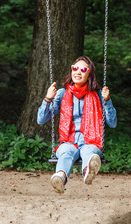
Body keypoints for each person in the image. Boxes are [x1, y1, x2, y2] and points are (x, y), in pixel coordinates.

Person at [37, 55, 117, 193]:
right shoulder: (62, 94)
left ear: (89, 73)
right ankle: (60, 178)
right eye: (75, 68)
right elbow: (41, 120)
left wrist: (107, 101)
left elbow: (112, 123)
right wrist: (48, 98)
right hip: (68, 141)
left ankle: (88, 172)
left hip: (91, 142)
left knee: (88, 151)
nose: (78, 72)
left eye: (83, 69)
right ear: (71, 71)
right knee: (66, 152)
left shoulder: (98, 95)